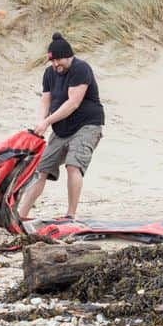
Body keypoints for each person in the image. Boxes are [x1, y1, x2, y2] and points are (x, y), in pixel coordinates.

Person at [16, 32, 105, 221]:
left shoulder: (81, 69)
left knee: (73, 165)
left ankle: (70, 215)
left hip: (87, 125)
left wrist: (47, 122)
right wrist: (41, 122)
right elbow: (45, 100)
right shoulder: (50, 73)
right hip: (61, 128)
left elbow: (73, 103)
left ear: (69, 56)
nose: (56, 64)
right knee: (41, 169)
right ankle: (21, 215)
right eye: (53, 61)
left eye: (59, 60)